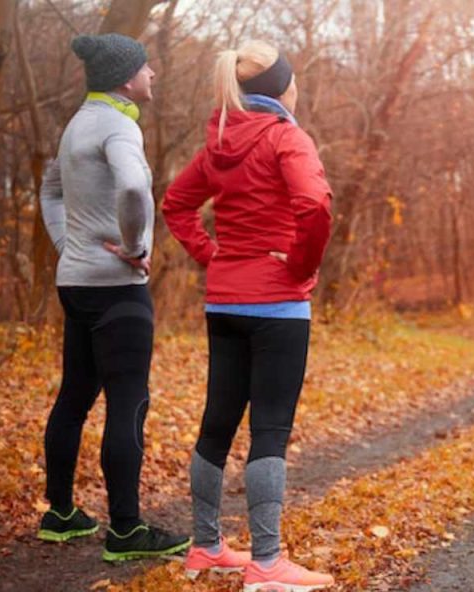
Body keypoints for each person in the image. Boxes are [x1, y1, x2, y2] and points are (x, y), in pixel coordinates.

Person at [162, 40, 334, 591]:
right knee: (270, 429)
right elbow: (316, 205)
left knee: (217, 424)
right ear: (282, 88)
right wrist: (302, 267)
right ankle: (266, 563)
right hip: (278, 305)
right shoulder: (287, 137)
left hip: (225, 302)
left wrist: (215, 258)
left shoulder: (219, 141)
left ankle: (207, 548)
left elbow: (176, 204)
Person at [38, 33, 190, 562]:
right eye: (147, 69)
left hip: (75, 283)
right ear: (127, 78)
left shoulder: (77, 123)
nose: (153, 76)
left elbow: (50, 190)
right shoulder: (119, 126)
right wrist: (134, 246)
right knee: (128, 401)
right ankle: (125, 530)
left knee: (75, 397)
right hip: (116, 289)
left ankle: (59, 513)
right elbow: (132, 188)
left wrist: (67, 245)